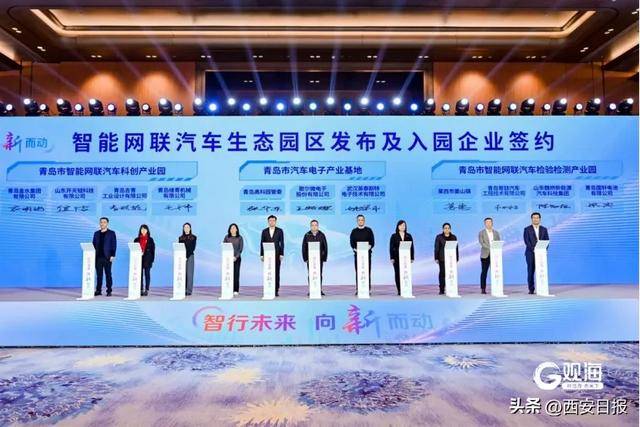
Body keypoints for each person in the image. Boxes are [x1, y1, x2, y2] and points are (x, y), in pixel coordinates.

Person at [523, 212, 550, 294]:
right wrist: (534, 249)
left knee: (541, 270)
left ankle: (542, 287)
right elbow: (526, 241)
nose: (535, 219)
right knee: (531, 271)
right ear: (531, 219)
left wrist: (544, 250)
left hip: (541, 254)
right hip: (530, 253)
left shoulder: (544, 229)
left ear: (540, 219)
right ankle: (531, 289)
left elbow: (547, 241)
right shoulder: (527, 229)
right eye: (534, 218)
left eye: (537, 218)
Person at [302, 219, 328, 296]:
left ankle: (319, 289)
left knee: (319, 274)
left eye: (315, 225)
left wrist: (324, 258)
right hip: (310, 259)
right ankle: (311, 289)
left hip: (319, 259)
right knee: (311, 274)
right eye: (312, 225)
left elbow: (325, 247)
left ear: (318, 226)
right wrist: (305, 258)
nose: (314, 226)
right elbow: (304, 247)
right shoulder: (307, 235)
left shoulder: (322, 235)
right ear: (310, 226)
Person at [350, 214, 375, 294]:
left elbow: (372, 242)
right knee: (358, 271)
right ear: (357, 221)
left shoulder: (369, 230)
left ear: (364, 221)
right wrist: (356, 249)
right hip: (357, 255)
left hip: (367, 255)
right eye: (359, 220)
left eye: (362, 220)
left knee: (367, 271)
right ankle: (358, 289)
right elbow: (352, 243)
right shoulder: (354, 231)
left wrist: (367, 248)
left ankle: (368, 289)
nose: (361, 221)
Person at [260, 215, 285, 297]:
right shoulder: (264, 231)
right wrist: (262, 254)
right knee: (268, 271)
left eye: (273, 220)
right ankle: (268, 288)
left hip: (277, 254)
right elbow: (262, 243)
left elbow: (282, 243)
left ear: (275, 221)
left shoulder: (280, 231)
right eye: (270, 220)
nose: (272, 222)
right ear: (268, 222)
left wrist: (281, 254)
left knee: (276, 272)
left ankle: (276, 290)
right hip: (267, 255)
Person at [92, 217, 117, 296]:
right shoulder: (96, 233)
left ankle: (109, 291)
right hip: (98, 257)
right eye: (101, 222)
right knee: (99, 275)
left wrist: (113, 255)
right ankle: (98, 290)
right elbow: (93, 245)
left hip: (107, 257)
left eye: (104, 222)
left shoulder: (111, 233)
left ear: (107, 223)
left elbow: (114, 245)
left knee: (108, 274)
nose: (102, 223)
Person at [389, 220, 415, 295]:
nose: (402, 227)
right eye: (401, 225)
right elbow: (391, 247)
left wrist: (412, 257)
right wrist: (392, 257)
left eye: (404, 225)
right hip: (396, 258)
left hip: (406, 258)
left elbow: (412, 247)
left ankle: (406, 288)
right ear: (398, 226)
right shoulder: (394, 236)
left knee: (406, 273)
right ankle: (399, 290)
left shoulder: (408, 235)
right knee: (397, 273)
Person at [434, 222, 459, 295]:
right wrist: (436, 258)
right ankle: (442, 289)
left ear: (450, 229)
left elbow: (456, 248)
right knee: (442, 273)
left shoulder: (454, 237)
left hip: (451, 259)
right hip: (442, 258)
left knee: (451, 273)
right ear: (443, 229)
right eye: (445, 228)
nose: (447, 229)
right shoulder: (439, 237)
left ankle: (451, 287)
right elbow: (436, 248)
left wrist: (457, 257)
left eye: (448, 228)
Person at [478, 217, 501, 295]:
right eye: (487, 222)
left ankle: (496, 287)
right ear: (485, 224)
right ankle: (483, 288)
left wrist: (495, 248)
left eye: (490, 222)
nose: (488, 223)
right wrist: (491, 248)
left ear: (492, 223)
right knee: (484, 272)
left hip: (495, 255)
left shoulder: (496, 233)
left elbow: (498, 242)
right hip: (485, 255)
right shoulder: (481, 233)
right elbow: (482, 243)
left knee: (496, 271)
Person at [133, 224, 155, 296]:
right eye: (142, 229)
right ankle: (141, 289)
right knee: (139, 275)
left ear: (147, 230)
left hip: (147, 259)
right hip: (138, 259)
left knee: (147, 274)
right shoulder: (136, 240)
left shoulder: (150, 239)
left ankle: (147, 289)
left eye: (145, 229)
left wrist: (152, 260)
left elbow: (153, 251)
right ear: (140, 230)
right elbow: (134, 250)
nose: (143, 230)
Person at [223, 223, 244, 296]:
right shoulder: (226, 237)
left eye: (234, 228)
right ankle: (228, 288)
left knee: (236, 274)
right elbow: (224, 246)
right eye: (231, 228)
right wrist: (228, 256)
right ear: (229, 229)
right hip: (227, 259)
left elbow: (240, 249)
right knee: (228, 274)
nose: (233, 229)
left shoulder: (240, 237)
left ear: (237, 229)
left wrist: (235, 257)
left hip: (237, 258)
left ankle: (235, 290)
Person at [179, 222, 197, 296]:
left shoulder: (193, 237)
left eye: (187, 227)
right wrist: (182, 256)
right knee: (183, 273)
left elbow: (192, 248)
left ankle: (189, 290)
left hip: (190, 256)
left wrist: (186, 256)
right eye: (185, 227)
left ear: (190, 228)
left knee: (189, 274)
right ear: (183, 229)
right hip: (182, 257)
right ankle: (183, 289)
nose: (186, 228)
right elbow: (180, 248)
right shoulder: (180, 238)